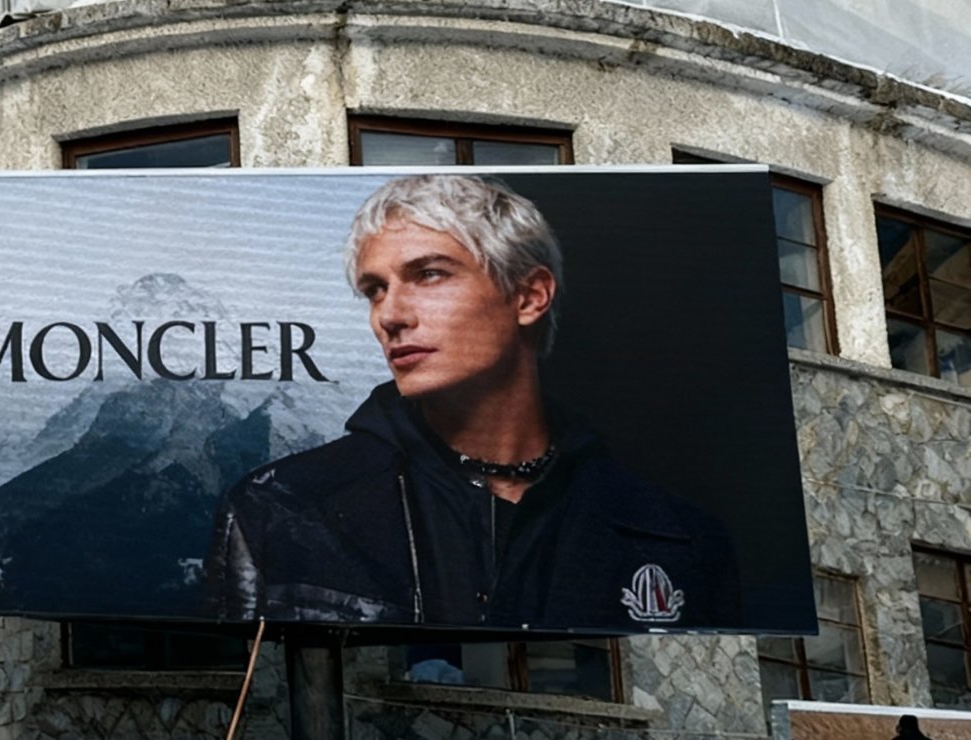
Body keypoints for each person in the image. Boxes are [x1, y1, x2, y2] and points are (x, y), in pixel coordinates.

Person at [204, 174, 740, 630]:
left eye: (429, 274)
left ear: (529, 296)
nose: (390, 315)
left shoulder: (677, 535)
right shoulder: (281, 507)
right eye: (375, 290)